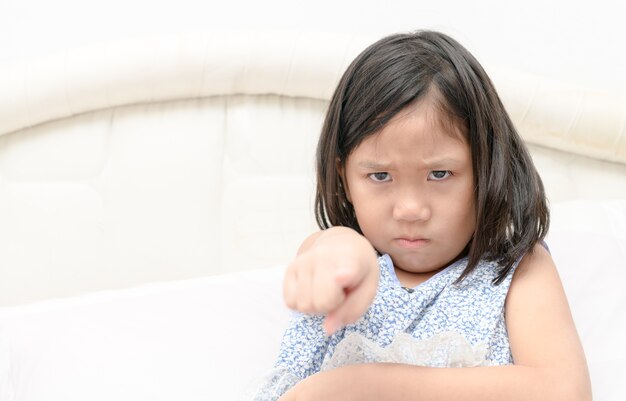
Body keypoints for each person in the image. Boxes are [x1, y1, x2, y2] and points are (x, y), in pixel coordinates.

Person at [252, 30, 591, 401]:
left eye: (440, 174)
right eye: (380, 176)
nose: (411, 209)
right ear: (344, 179)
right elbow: (337, 254)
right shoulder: (340, 251)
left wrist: (368, 385)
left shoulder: (514, 268)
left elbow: (563, 391)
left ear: (486, 169)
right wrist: (346, 262)